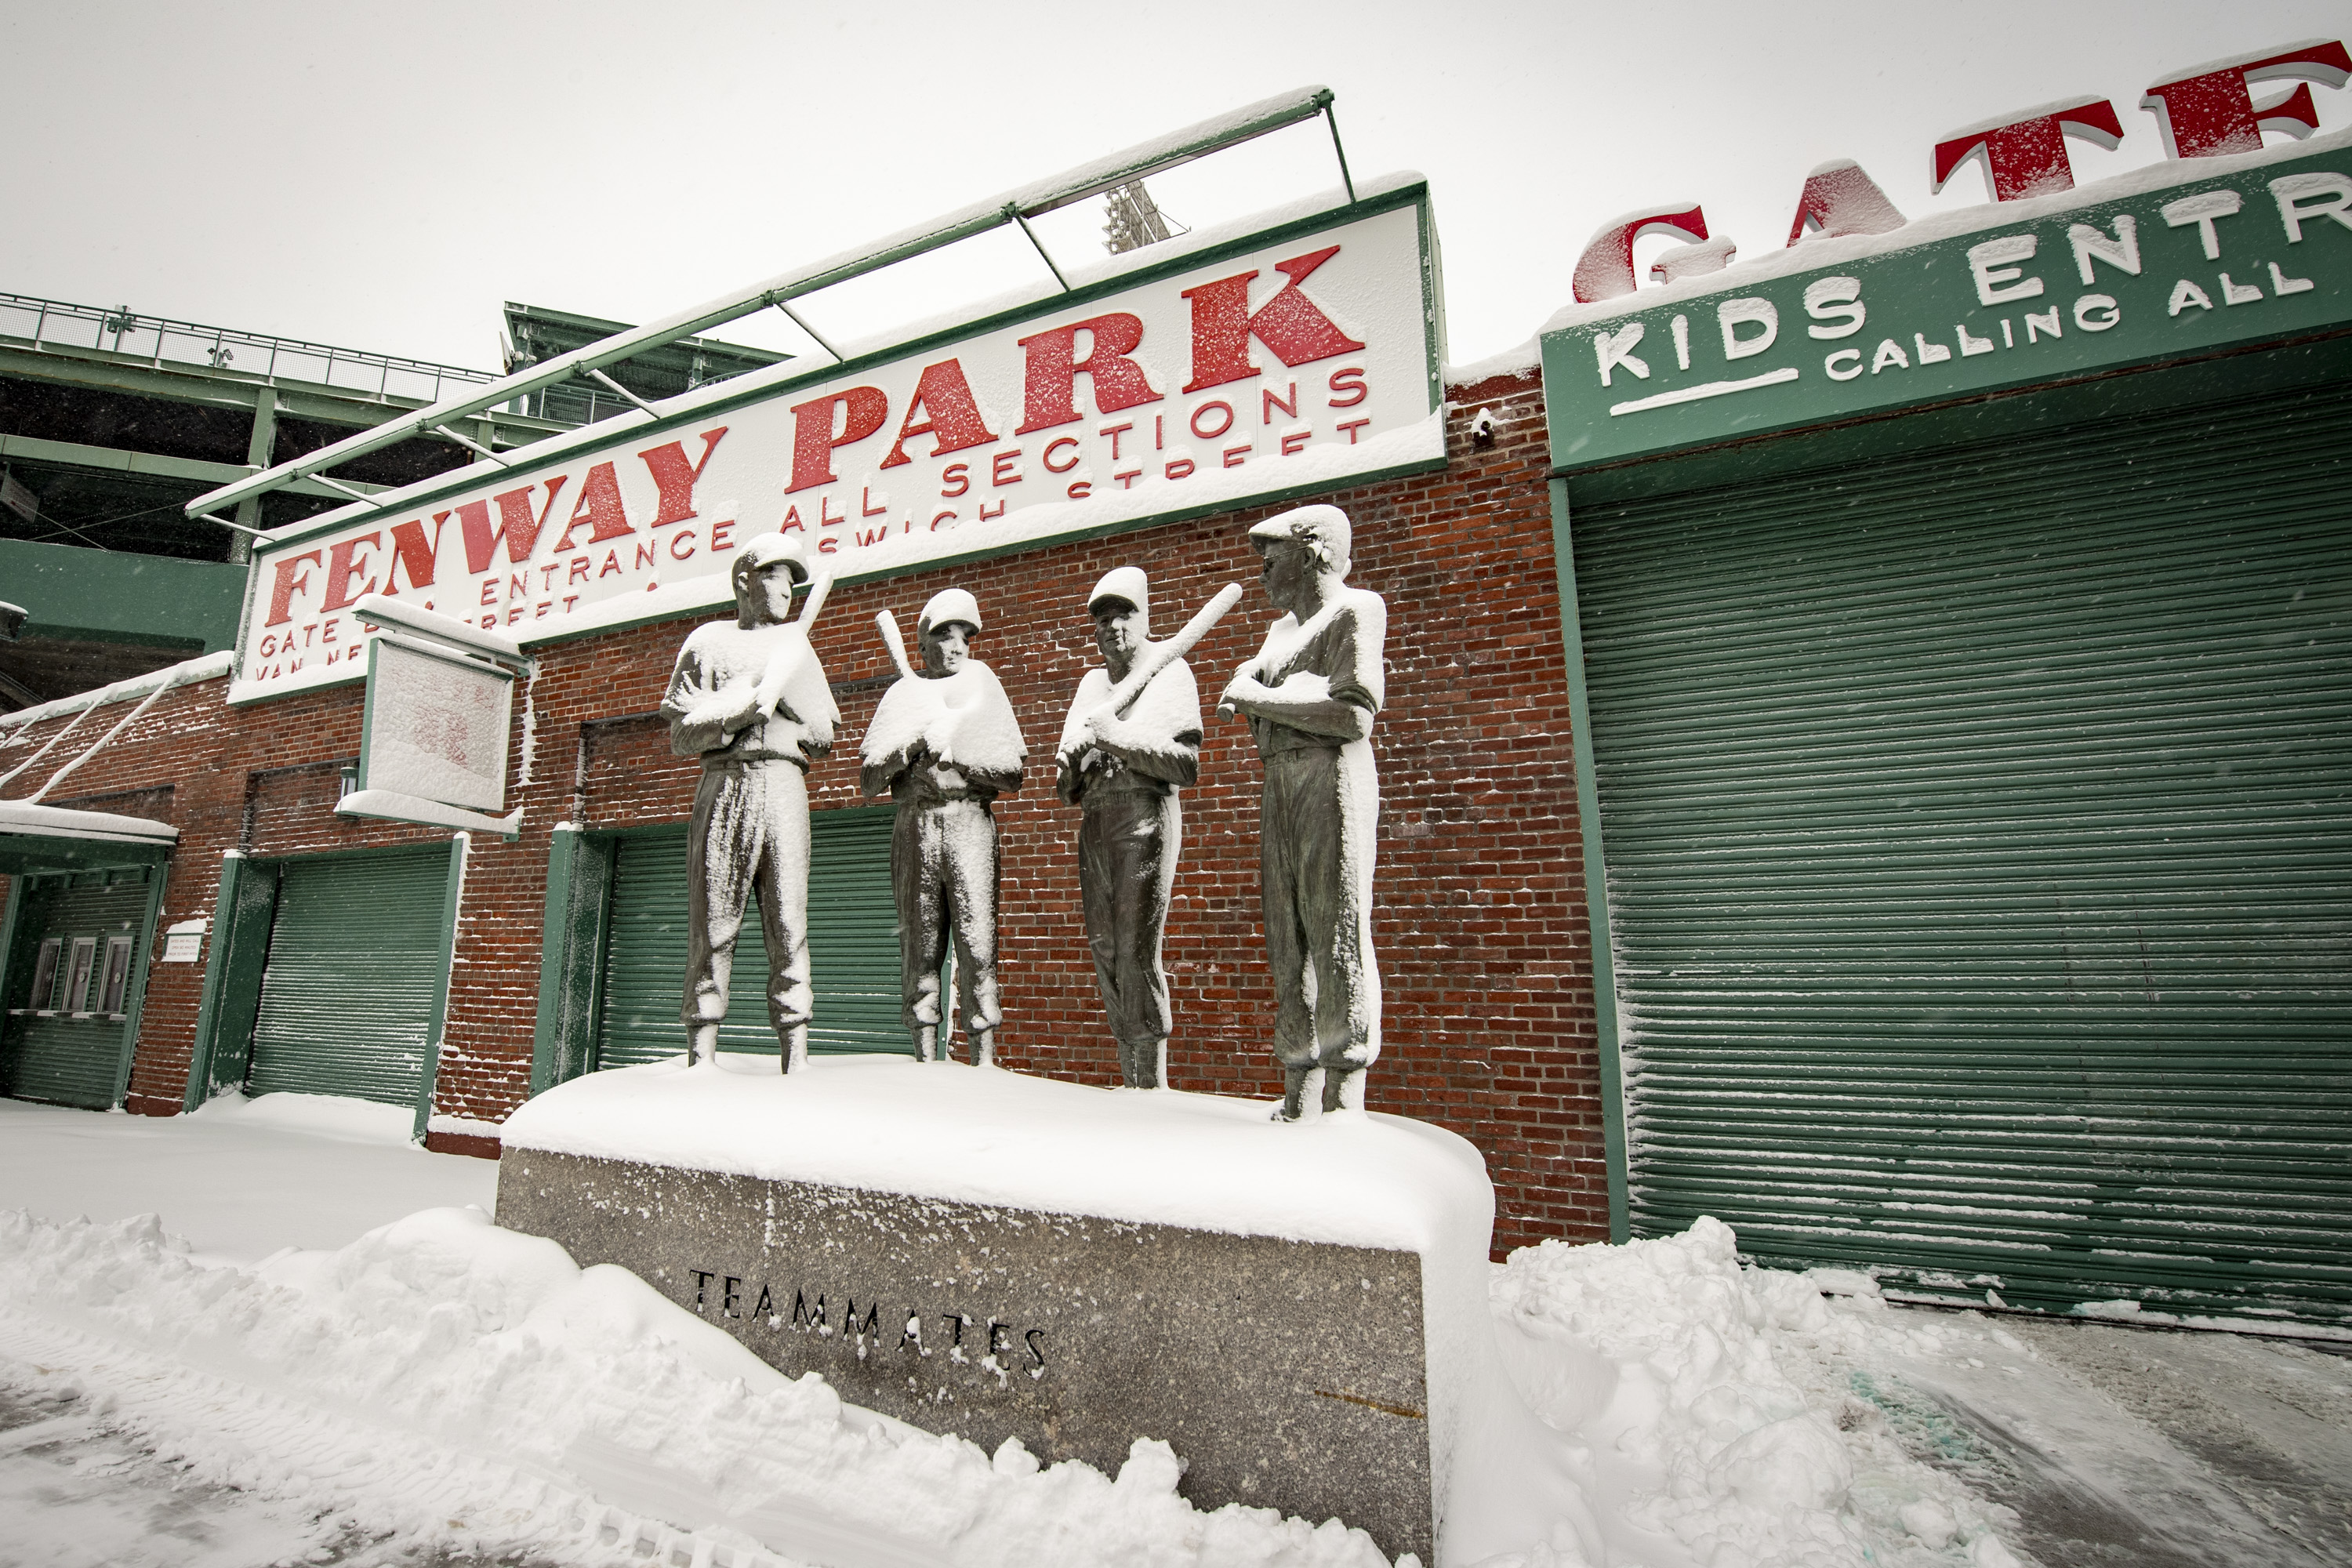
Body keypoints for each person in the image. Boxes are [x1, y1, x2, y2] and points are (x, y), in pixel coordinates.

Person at [1218, 505, 1387, 1121]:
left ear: (1313, 552)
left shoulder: (1356, 610)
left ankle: (1344, 1089)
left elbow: (1352, 715)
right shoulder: (1277, 635)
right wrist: (1256, 694)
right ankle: (1298, 1080)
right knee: (1285, 935)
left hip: (1331, 778)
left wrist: (1262, 698)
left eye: (1274, 555)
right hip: (1279, 782)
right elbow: (1252, 699)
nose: (1263, 569)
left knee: (1335, 925)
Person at [660, 532, 838, 1070]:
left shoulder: (796, 648)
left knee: (789, 924)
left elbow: (825, 736)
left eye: (791, 580)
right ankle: (701, 1050)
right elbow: (681, 735)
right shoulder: (708, 643)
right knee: (714, 922)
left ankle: (797, 1052)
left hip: (785, 784)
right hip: (726, 783)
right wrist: (736, 715)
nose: (785, 589)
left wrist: (783, 695)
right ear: (744, 580)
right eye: (773, 575)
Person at [860, 588, 1025, 1064]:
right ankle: (923, 1055)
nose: (956, 647)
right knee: (921, 941)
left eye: (964, 639)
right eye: (945, 636)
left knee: (978, 943)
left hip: (970, 822)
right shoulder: (903, 696)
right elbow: (869, 778)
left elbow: (1013, 771)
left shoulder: (983, 687)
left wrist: (960, 756)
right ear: (923, 644)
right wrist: (911, 746)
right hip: (916, 826)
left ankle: (984, 1055)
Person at [1055, 567, 1203, 1089]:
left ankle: (1151, 1077)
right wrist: (1072, 763)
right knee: (1105, 946)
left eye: (1124, 617)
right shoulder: (1092, 685)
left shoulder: (1169, 670)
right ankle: (1128, 1067)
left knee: (1137, 947)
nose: (1113, 628)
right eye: (1103, 621)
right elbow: (1063, 789)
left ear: (1144, 620)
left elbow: (1184, 764)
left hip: (1144, 814)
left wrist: (1116, 738)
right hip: (1096, 818)